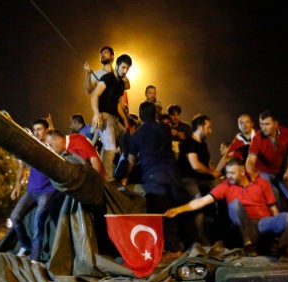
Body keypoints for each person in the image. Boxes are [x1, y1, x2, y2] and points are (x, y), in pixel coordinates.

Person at [165, 157, 288, 257]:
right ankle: (248, 245)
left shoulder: (261, 183)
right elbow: (202, 201)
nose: (228, 176)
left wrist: (277, 227)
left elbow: (273, 209)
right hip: (244, 226)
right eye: (227, 173)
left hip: (262, 224)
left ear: (242, 172)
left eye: (232, 173)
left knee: (286, 217)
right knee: (235, 204)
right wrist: (178, 210)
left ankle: (280, 247)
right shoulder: (226, 186)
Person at [123, 101, 187, 259]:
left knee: (162, 214)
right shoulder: (165, 129)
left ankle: (173, 249)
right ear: (155, 114)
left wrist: (125, 177)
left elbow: (131, 160)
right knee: (175, 210)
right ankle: (180, 244)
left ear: (140, 116)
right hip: (172, 173)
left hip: (153, 177)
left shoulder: (136, 135)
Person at [10, 118, 63, 264]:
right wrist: (16, 187)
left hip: (47, 191)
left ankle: (35, 257)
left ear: (46, 130)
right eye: (35, 130)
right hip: (31, 191)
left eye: (39, 129)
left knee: (38, 221)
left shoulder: (51, 146)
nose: (36, 132)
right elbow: (23, 166)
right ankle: (26, 246)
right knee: (15, 217)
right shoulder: (32, 147)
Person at [246, 110, 288, 227]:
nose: (263, 127)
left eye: (267, 124)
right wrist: (251, 174)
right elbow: (250, 160)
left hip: (280, 172)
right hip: (263, 172)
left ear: (276, 124)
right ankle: (278, 227)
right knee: (274, 196)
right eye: (261, 124)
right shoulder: (257, 137)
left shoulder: (286, 132)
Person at [176, 114, 220, 246]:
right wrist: (211, 172)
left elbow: (206, 164)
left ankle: (209, 237)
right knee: (198, 203)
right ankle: (198, 240)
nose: (210, 131)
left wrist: (212, 170)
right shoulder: (189, 143)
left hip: (203, 181)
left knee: (215, 203)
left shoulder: (203, 144)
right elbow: (195, 165)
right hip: (189, 180)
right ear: (200, 127)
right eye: (208, 127)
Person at [90, 54, 133, 183]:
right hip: (105, 116)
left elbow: (118, 104)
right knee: (110, 148)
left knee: (127, 141)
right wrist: (97, 114)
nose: (125, 71)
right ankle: (107, 179)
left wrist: (125, 120)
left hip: (114, 118)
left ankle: (121, 174)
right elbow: (94, 96)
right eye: (123, 67)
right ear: (117, 65)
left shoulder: (121, 83)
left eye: (127, 69)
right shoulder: (107, 78)